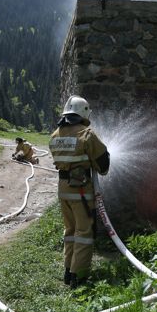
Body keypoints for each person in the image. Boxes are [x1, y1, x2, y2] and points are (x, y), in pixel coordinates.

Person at [49, 95, 109, 288]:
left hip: (63, 192)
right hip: (81, 193)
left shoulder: (55, 135)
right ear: (84, 113)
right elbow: (103, 166)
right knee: (84, 232)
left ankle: (68, 270)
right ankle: (79, 275)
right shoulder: (87, 134)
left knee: (71, 231)